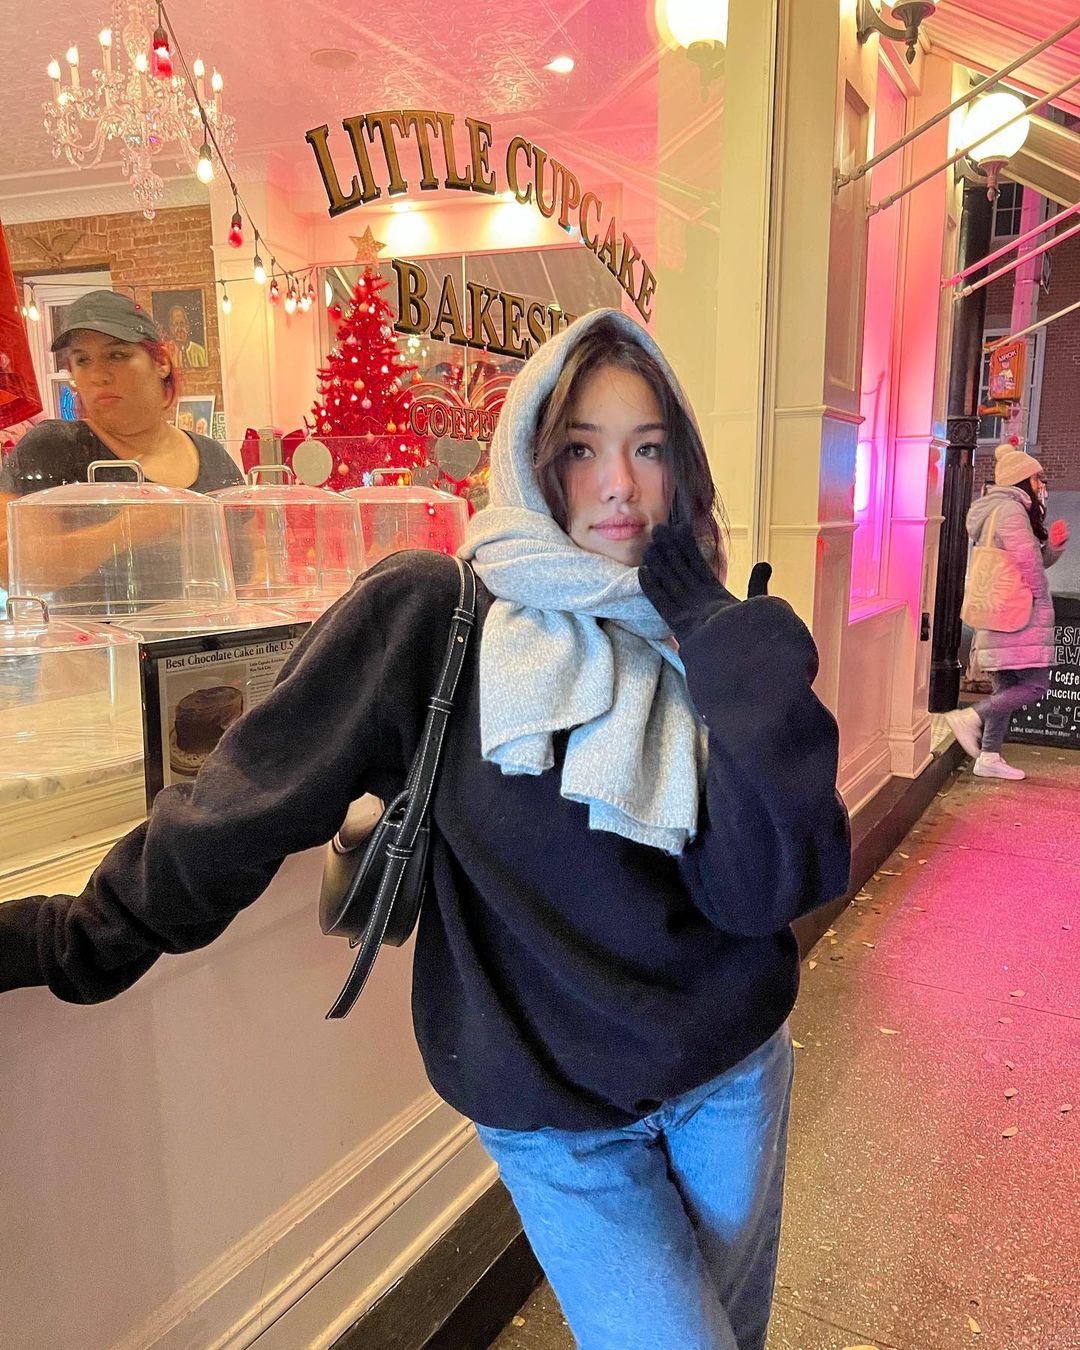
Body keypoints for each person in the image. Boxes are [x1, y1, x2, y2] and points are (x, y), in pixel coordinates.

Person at [0, 310, 850, 1350]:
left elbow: (767, 893)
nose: (619, 487)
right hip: (556, 1119)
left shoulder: (710, 631)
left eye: (651, 448)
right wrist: (73, 943)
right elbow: (240, 805)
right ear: (530, 454)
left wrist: (724, 646)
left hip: (730, 1078)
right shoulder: (435, 615)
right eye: (580, 449)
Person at [0, 289, 241, 588]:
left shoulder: (213, 456)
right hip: (92, 622)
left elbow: (256, 557)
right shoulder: (53, 447)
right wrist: (123, 530)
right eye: (83, 360)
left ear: (161, 362)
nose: (98, 375)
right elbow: (8, 564)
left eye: (117, 355)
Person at [946, 441, 1069, 781]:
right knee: (1035, 685)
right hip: (1017, 617)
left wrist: (1054, 547)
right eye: (1037, 478)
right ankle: (971, 717)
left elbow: (1029, 559)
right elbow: (1029, 564)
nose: (1041, 485)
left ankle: (988, 756)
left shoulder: (999, 511)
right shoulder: (1011, 511)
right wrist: (1041, 599)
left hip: (1000, 614)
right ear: (1022, 480)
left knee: (1007, 687)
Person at [167, 302, 209, 368]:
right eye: (175, 324)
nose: (179, 328)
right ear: (171, 328)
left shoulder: (200, 351)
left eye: (182, 323)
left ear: (187, 326)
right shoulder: (166, 352)